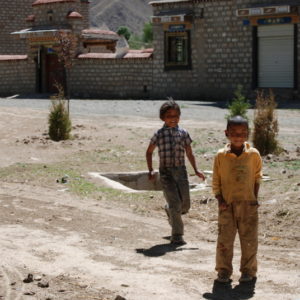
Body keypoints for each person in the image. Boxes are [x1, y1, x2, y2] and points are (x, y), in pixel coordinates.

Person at [146, 100, 205, 245]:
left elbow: (190, 153)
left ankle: (169, 210)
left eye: (176, 115)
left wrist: (196, 169)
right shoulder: (158, 134)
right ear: (162, 118)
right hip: (165, 173)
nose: (173, 118)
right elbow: (148, 152)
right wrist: (151, 170)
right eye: (169, 115)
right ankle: (177, 235)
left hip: (181, 171)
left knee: (185, 205)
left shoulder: (183, 133)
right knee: (175, 204)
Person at [212, 115, 262, 283]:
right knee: (224, 241)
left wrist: (254, 199)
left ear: (248, 134)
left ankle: (248, 271)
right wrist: (220, 200)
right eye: (234, 132)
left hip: (249, 205)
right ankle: (224, 271)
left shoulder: (253, 155)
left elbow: (257, 177)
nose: (238, 136)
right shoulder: (221, 156)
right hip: (227, 205)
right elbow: (216, 181)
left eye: (242, 132)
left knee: (249, 241)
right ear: (227, 133)